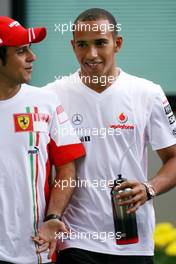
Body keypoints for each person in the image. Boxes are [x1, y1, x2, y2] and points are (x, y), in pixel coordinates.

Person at [42, 8, 176, 264]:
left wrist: (149, 188)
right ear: (73, 46)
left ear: (117, 43)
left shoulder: (148, 93)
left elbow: (173, 158)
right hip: (74, 239)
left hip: (133, 243)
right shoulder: (51, 96)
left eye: (101, 43)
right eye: (82, 45)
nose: (91, 54)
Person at [0, 16, 85, 264]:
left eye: (30, 49)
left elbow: (67, 168)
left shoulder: (45, 101)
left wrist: (52, 218)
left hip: (34, 249)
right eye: (21, 51)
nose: (32, 57)